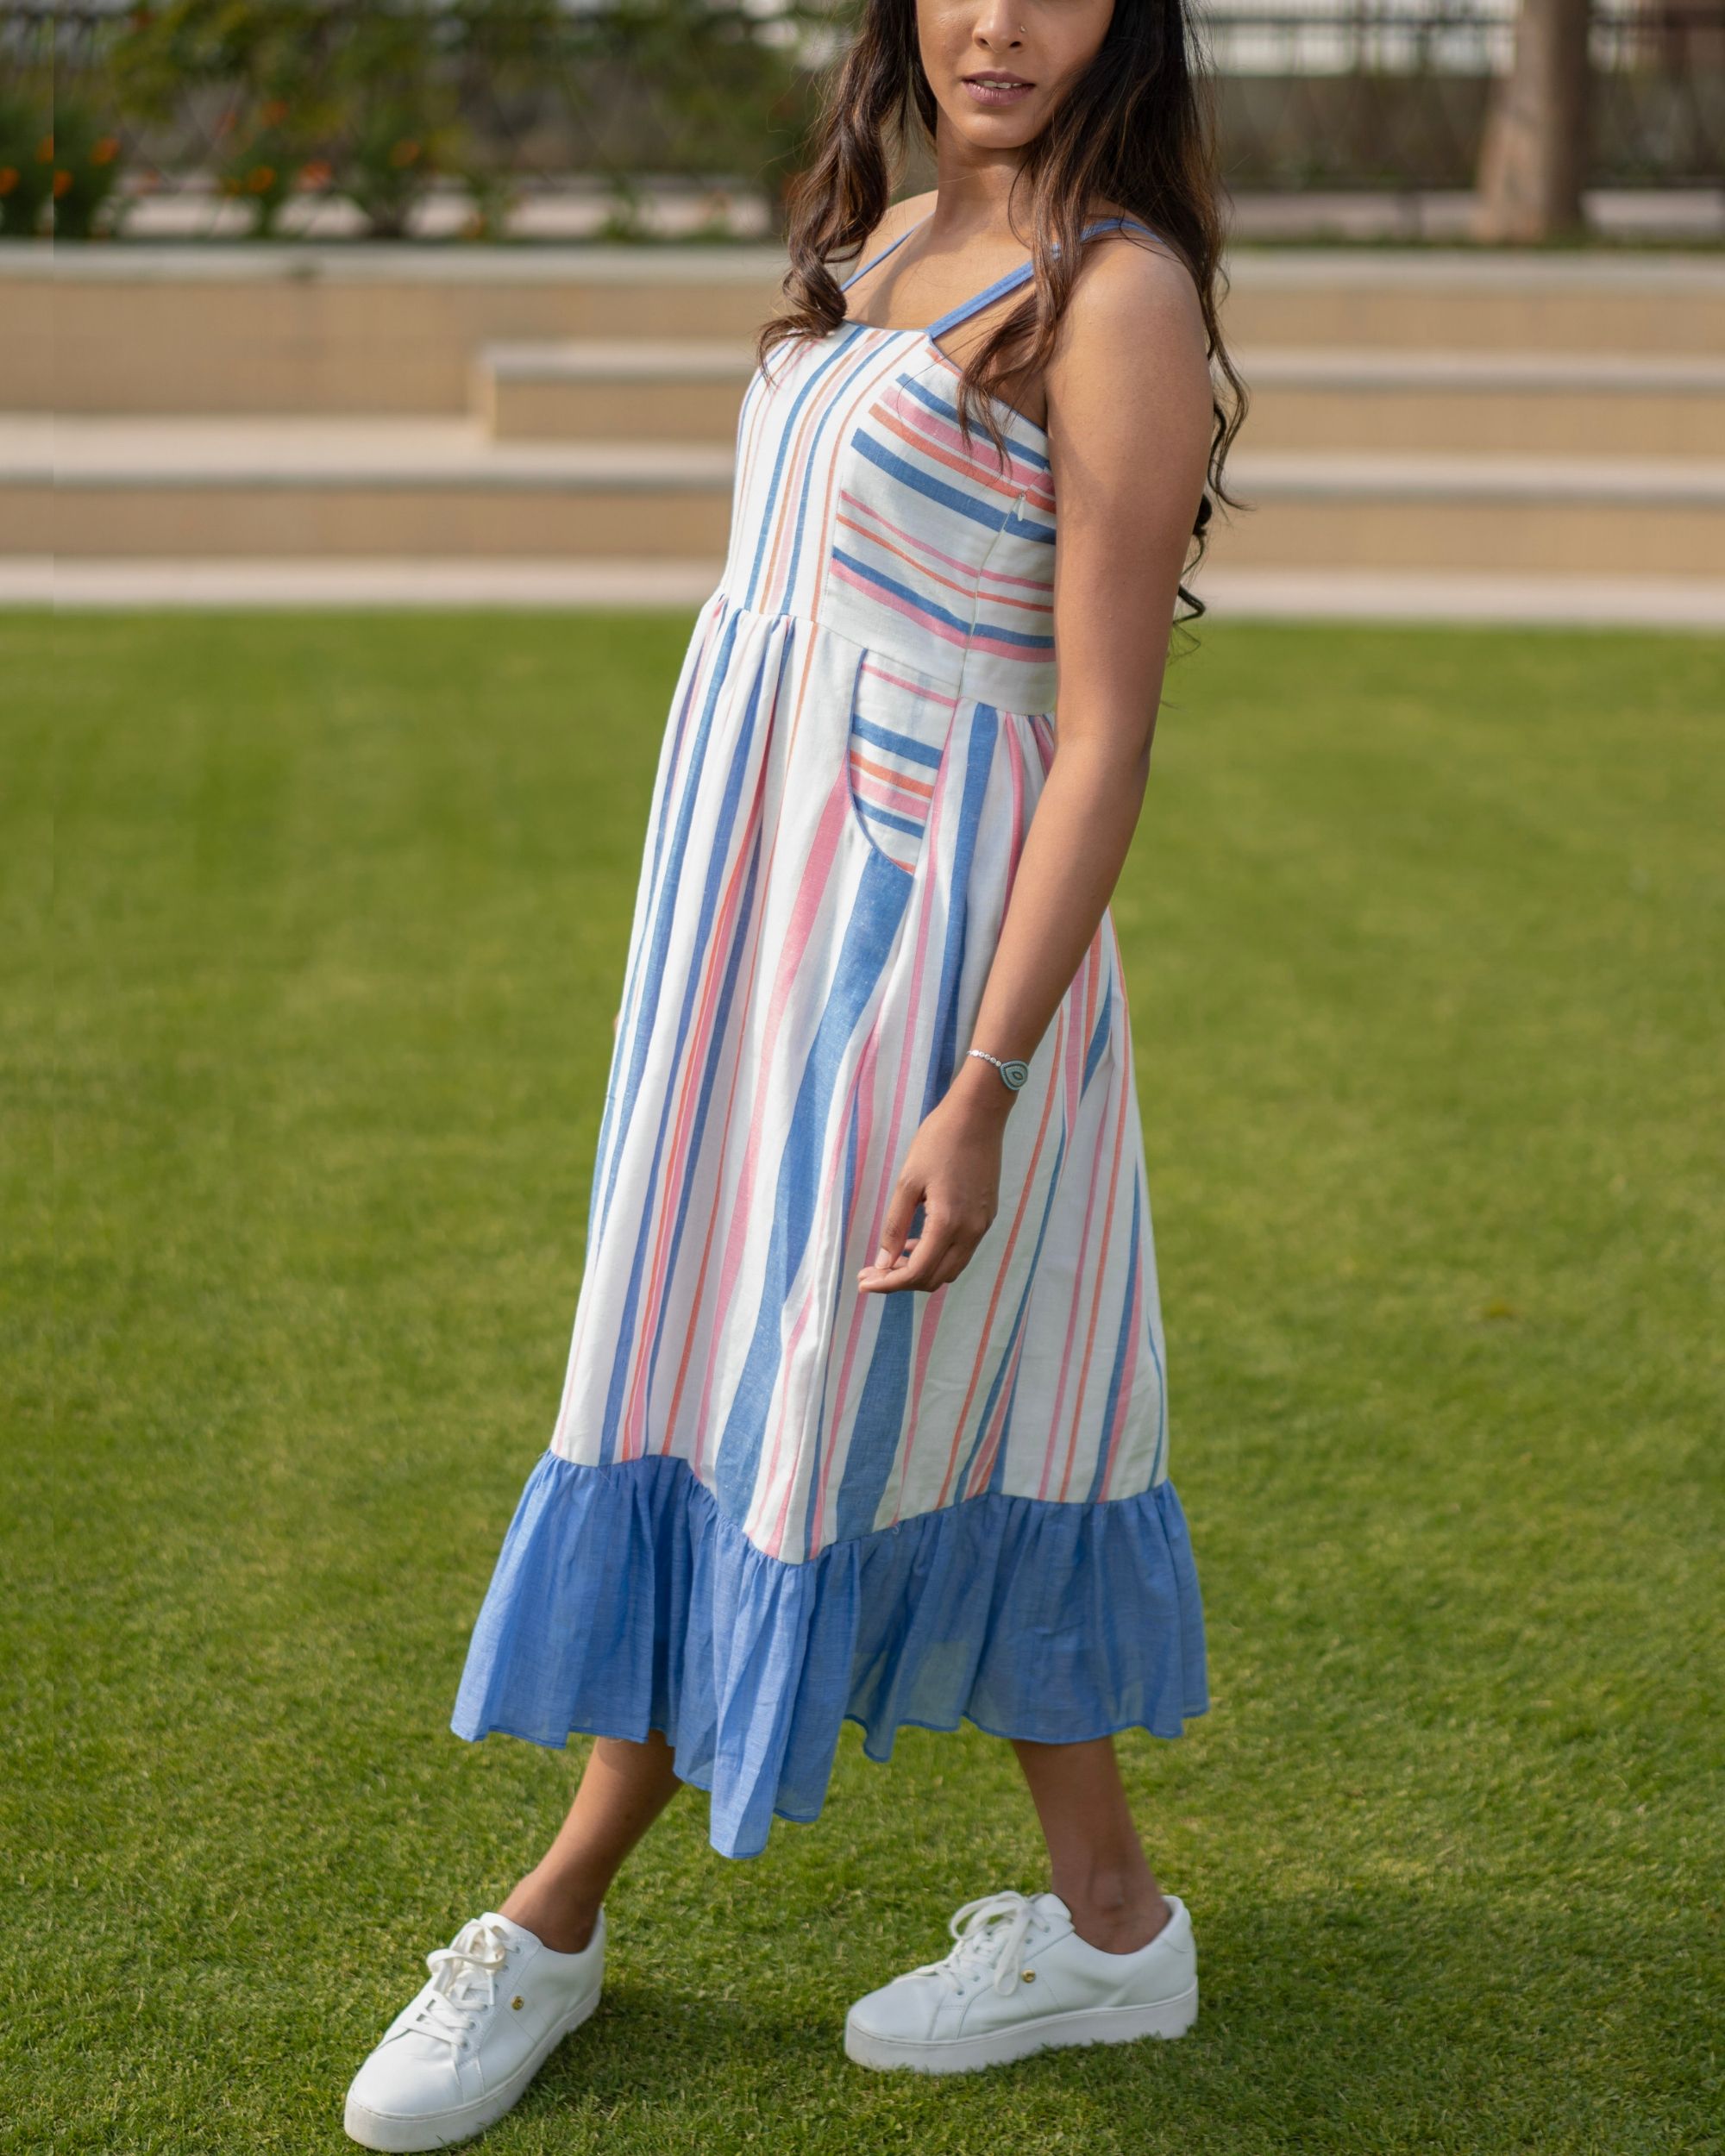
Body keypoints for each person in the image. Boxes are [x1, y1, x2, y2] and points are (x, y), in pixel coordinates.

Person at [344, 0, 1242, 2142]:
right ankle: (1113, 1929)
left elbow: (1102, 732)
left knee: (799, 1399)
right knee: (784, 1384)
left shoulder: (1116, 292)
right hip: (746, 941)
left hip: (921, 965)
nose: (1000, 16)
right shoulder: (885, 232)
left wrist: (986, 1075)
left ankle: (550, 1913)